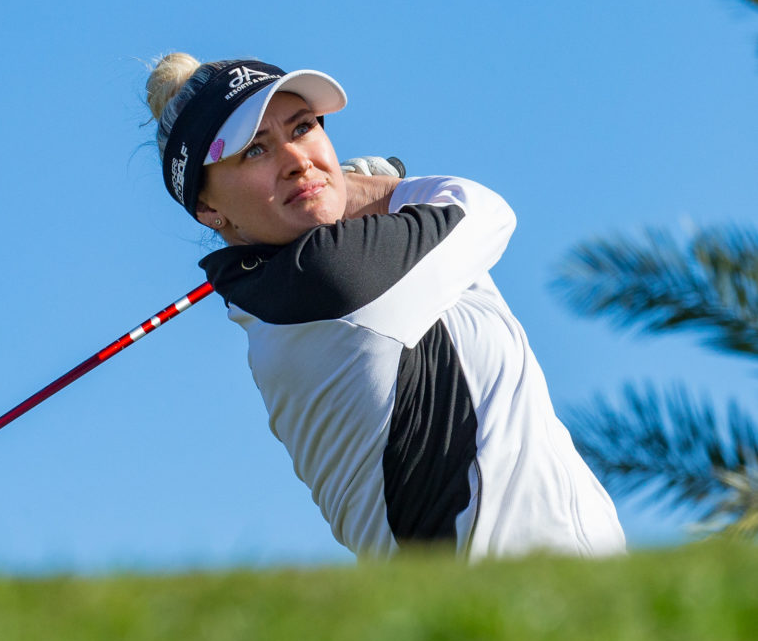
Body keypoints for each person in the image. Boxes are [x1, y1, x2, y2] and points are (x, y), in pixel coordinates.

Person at [146, 53, 626, 560]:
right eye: (255, 151)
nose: (297, 159)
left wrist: (332, 195)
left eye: (303, 127)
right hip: (513, 601)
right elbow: (485, 209)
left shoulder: (282, 293)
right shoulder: (332, 278)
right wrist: (352, 187)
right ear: (208, 207)